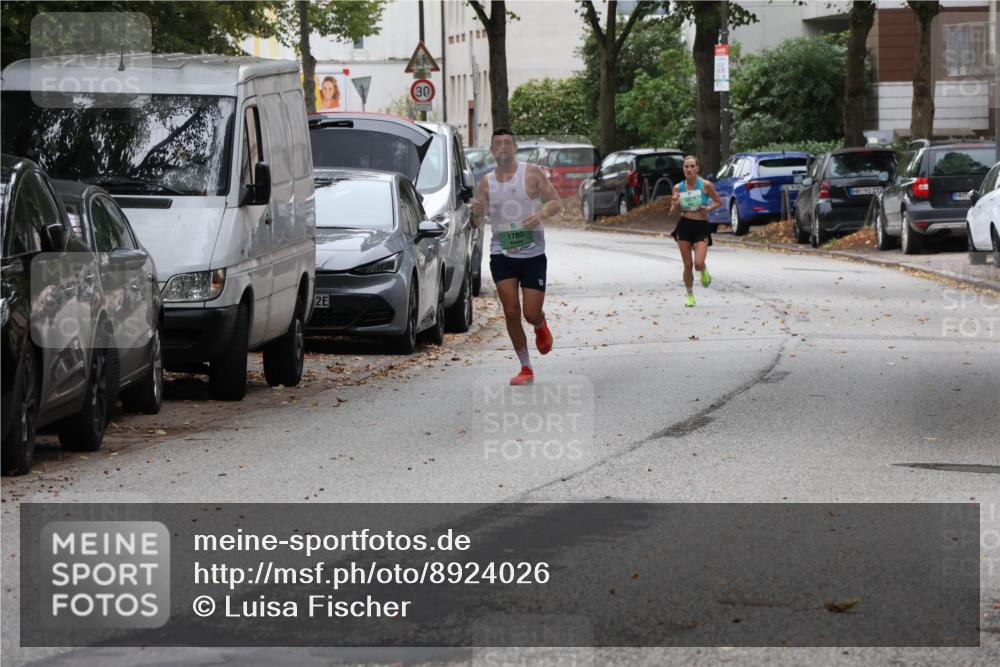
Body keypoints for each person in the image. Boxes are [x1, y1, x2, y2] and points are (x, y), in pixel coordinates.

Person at [471, 128, 561, 385]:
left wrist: (540, 215)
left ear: (515, 147)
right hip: (502, 253)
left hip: (532, 254)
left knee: (530, 314)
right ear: (492, 150)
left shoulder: (532, 173)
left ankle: (540, 323)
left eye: (507, 142)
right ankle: (525, 367)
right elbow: (477, 222)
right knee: (511, 312)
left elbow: (555, 202)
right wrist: (475, 213)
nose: (503, 146)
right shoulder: (486, 182)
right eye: (498, 143)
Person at [668, 155, 722, 307]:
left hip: (701, 227)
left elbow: (718, 201)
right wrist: (674, 203)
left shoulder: (705, 185)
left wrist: (708, 208)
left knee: (698, 263)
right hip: (684, 226)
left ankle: (703, 270)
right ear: (683, 169)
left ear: (697, 168)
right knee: (687, 265)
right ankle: (690, 296)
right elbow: (672, 211)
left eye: (692, 166)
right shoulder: (678, 188)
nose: (689, 169)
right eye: (686, 166)